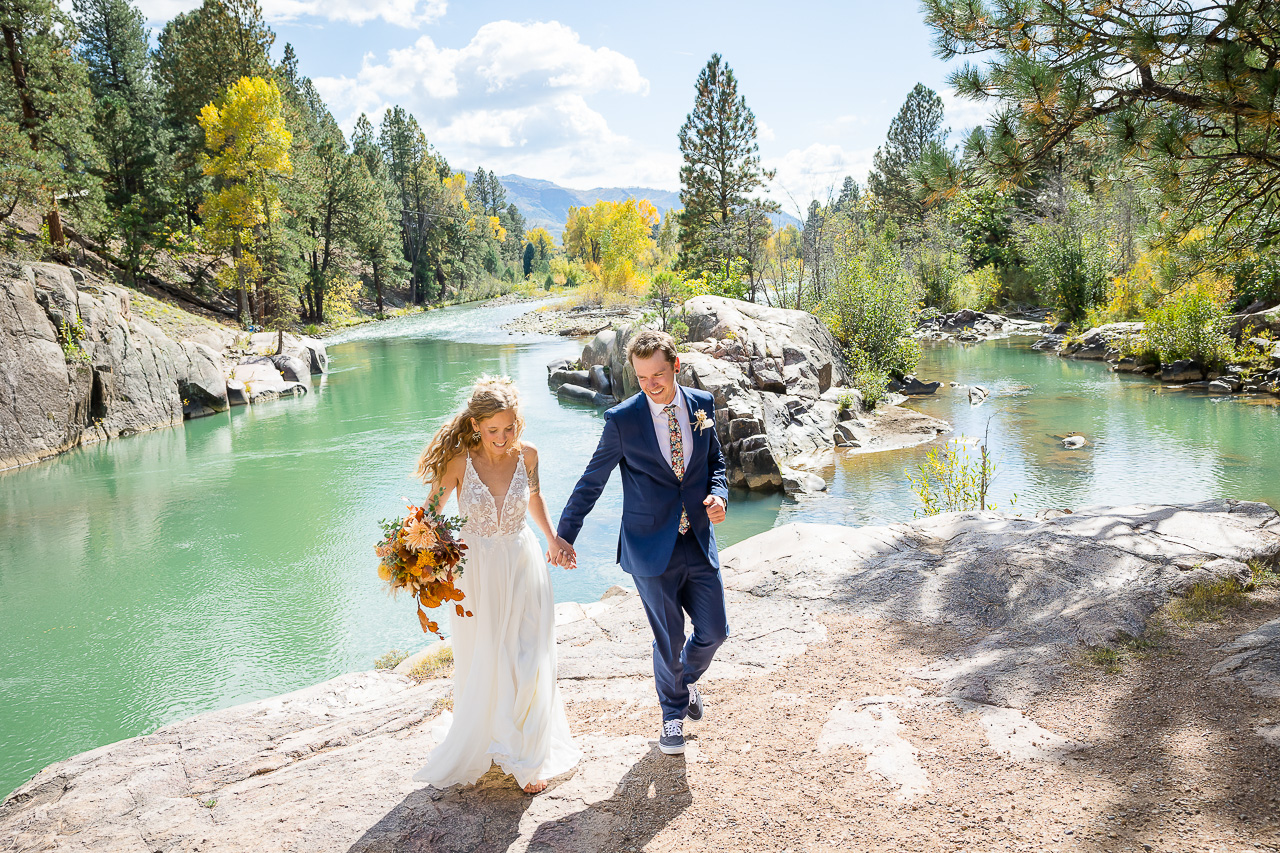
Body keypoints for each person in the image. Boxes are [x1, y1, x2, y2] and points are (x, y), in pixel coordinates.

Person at [555, 329, 730, 755]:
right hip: (649, 547)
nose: (651, 384)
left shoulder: (702, 406)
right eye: (642, 376)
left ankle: (682, 682)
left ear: (676, 367)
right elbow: (591, 482)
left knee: (714, 632)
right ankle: (672, 716)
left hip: (697, 540)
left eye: (659, 374)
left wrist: (719, 494)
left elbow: (716, 462)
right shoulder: (622, 420)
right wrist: (565, 535)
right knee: (668, 638)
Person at [411, 375, 580, 794]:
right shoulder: (457, 463)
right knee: (488, 656)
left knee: (529, 655)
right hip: (475, 572)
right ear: (474, 427)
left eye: (509, 428)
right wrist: (420, 558)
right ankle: (495, 741)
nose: (502, 438)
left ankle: (528, 754)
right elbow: (430, 514)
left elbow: (535, 498)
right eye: (492, 431)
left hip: (522, 563)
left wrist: (553, 538)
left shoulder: (529, 455)